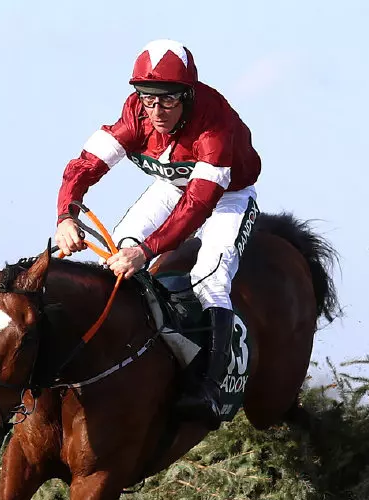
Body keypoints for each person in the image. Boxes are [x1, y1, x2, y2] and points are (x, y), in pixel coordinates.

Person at [54, 39, 262, 425]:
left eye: (167, 100)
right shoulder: (135, 115)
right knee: (120, 247)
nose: (157, 111)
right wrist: (66, 215)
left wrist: (147, 251)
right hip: (174, 187)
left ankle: (210, 390)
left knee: (209, 279)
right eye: (148, 99)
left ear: (187, 95)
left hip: (227, 197)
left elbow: (197, 207)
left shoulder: (215, 127)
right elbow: (83, 166)